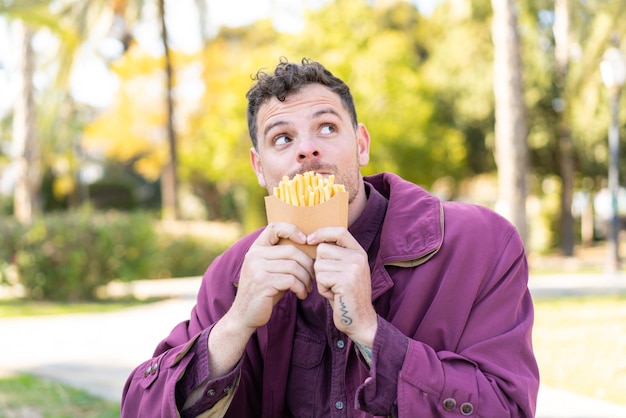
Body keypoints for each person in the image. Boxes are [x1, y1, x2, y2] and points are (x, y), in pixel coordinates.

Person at [121, 58, 539, 417]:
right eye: (282, 138)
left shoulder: (478, 245)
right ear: (259, 168)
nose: (307, 150)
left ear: (360, 145)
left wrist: (373, 333)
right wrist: (234, 326)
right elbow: (140, 405)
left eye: (325, 128)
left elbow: (507, 407)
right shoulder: (232, 273)